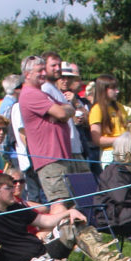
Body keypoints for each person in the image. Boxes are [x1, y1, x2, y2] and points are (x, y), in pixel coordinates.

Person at [0, 171, 130, 261]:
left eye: (15, 185)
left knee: (73, 225)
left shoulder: (16, 206)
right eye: (9, 188)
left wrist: (69, 213)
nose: (15, 189)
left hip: (43, 250)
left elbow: (44, 220)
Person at [19, 55, 82, 218]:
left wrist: (64, 111)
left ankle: (69, 240)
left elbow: (68, 109)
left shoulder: (42, 93)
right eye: (38, 70)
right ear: (27, 75)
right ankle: (56, 239)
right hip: (50, 157)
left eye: (43, 69)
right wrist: (63, 112)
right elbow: (63, 112)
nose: (43, 73)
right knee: (59, 203)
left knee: (67, 202)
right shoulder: (31, 94)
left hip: (59, 156)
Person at [97, 132, 131, 241]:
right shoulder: (114, 172)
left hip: (123, 211)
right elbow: (123, 198)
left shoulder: (127, 169)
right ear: (129, 152)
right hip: (112, 216)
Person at [88, 74, 128, 165]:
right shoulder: (97, 109)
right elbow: (97, 139)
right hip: (110, 153)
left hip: (126, 151)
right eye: (113, 89)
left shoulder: (120, 107)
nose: (117, 91)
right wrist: (120, 140)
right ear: (103, 90)